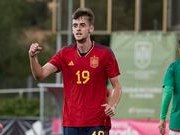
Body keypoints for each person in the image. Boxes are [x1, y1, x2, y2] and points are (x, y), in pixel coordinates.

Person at [29, 7, 122, 135]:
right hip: (71, 122)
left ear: (91, 29)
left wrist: (112, 105)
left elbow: (117, 86)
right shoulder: (64, 53)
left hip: (97, 121)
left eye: (82, 25)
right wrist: (33, 57)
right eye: (75, 25)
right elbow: (40, 74)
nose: (78, 28)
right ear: (72, 29)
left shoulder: (105, 53)